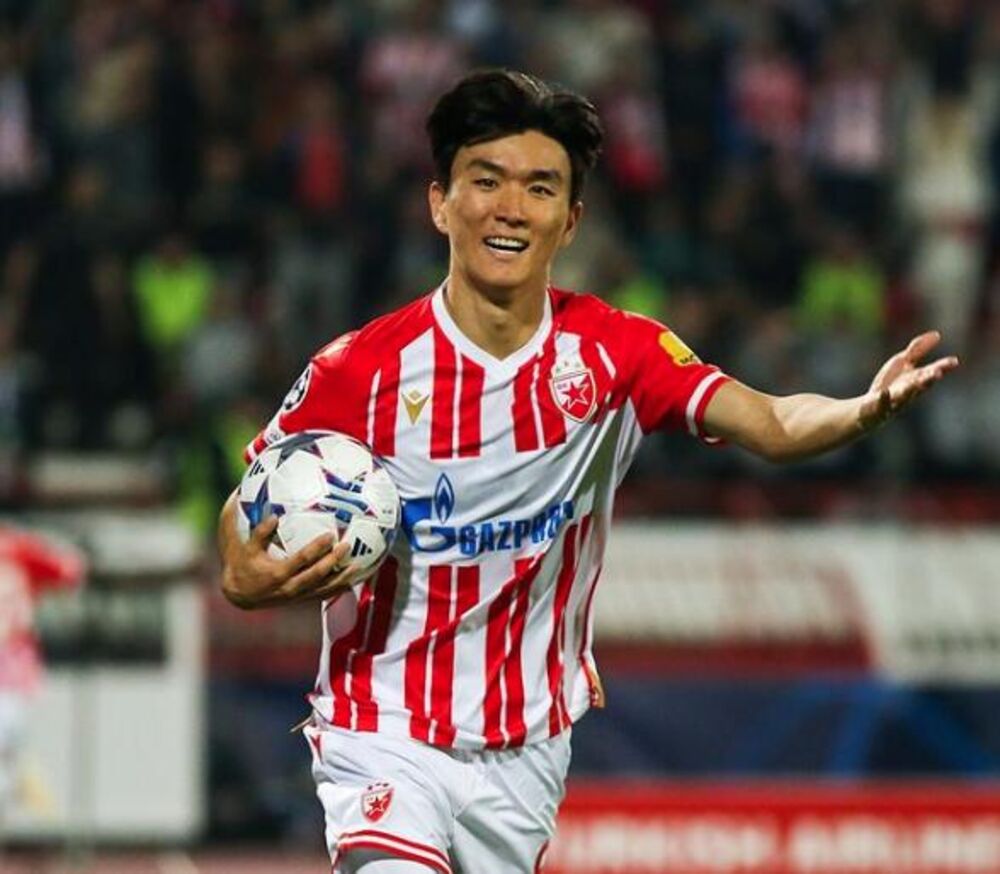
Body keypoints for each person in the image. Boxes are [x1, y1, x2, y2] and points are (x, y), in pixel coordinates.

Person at [217, 69, 958, 874]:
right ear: (440, 203)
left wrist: (861, 409)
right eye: (486, 181)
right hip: (382, 728)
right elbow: (253, 497)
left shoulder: (617, 353)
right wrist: (241, 569)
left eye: (539, 188)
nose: (510, 208)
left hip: (526, 747)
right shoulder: (360, 369)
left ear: (569, 221)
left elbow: (772, 423)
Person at [0, 526, 85, 825]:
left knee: (8, 731)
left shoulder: (20, 550)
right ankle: (17, 775)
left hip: (12, 672)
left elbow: (69, 571)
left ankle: (15, 775)